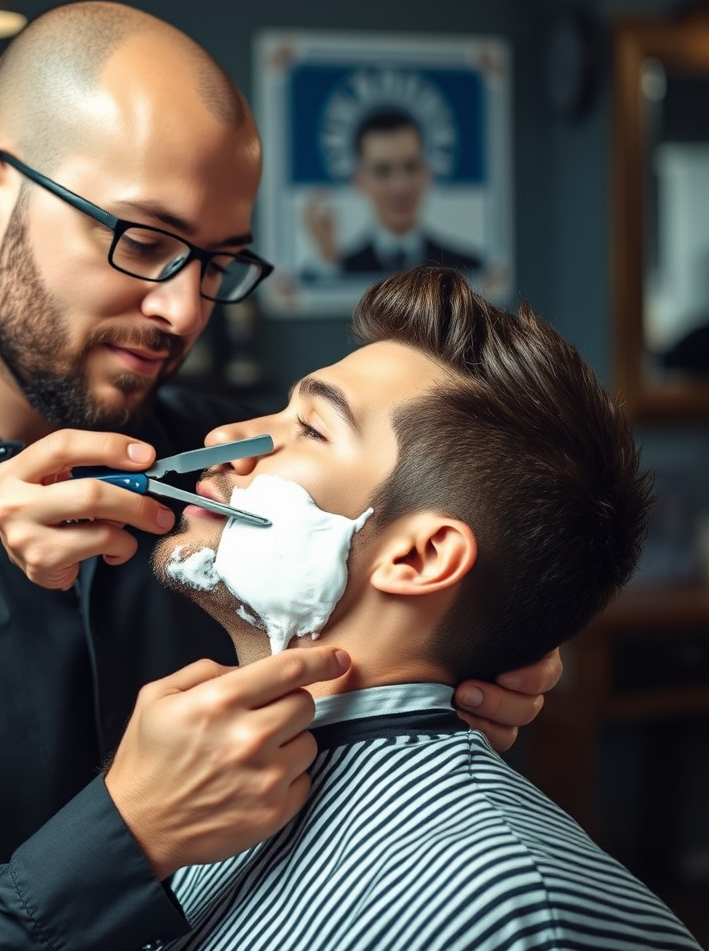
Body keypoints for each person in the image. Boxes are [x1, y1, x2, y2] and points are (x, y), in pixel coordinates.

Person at [0, 3, 557, 951]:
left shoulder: (234, 483)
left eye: (219, 262)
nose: (183, 311)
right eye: (143, 240)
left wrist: (501, 648)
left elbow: (427, 568)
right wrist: (129, 834)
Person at [131, 265, 699, 950]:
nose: (227, 437)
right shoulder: (185, 802)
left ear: (420, 559)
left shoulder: (515, 915)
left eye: (310, 428)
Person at [304, 106, 482, 276]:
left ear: (427, 173)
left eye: (411, 167)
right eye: (383, 171)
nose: (400, 186)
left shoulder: (468, 268)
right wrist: (329, 261)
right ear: (360, 181)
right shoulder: (338, 269)